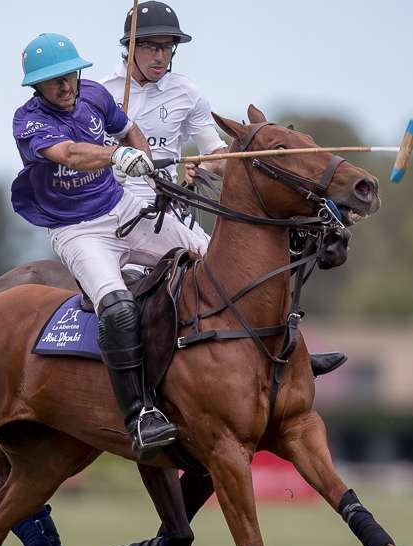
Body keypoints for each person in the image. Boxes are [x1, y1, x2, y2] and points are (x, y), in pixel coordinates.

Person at [102, 2, 347, 375]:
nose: (160, 56)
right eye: (152, 46)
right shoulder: (101, 93)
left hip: (169, 209)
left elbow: (217, 154)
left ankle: (292, 352)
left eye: (168, 47)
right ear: (130, 46)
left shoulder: (186, 93)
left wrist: (208, 163)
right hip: (115, 212)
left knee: (240, 273)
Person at [12, 32, 208, 460]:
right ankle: (140, 415)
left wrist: (150, 171)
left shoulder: (96, 95)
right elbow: (69, 153)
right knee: (117, 308)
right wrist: (116, 156)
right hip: (76, 229)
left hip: (122, 206)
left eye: (70, 76)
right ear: (36, 87)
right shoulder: (27, 121)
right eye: (53, 81)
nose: (66, 87)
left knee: (209, 260)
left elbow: (129, 128)